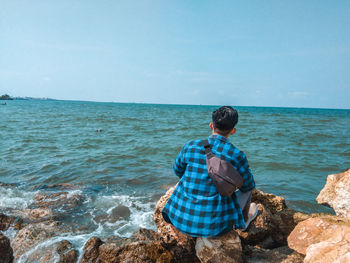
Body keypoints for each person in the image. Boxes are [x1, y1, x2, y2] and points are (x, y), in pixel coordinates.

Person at [162, 106, 257, 237]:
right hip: (214, 228)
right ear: (233, 131)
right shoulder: (236, 154)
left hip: (180, 219)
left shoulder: (190, 146)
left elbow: (177, 170)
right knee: (246, 190)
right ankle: (243, 222)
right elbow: (248, 185)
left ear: (211, 125)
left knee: (184, 177)